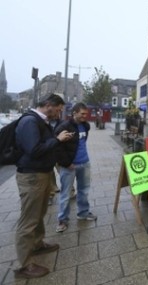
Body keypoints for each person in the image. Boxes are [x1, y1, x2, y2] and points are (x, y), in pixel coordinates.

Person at [14, 93, 73, 279]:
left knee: (39, 213)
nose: (59, 113)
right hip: (32, 176)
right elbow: (34, 150)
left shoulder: (42, 121)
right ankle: (24, 265)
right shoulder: (30, 122)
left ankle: (37, 244)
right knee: (29, 219)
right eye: (58, 109)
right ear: (48, 105)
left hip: (42, 174)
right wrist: (57, 140)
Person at [55, 103, 97, 233]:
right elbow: (57, 147)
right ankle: (62, 220)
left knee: (84, 190)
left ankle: (83, 213)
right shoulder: (64, 127)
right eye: (82, 114)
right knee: (66, 193)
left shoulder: (86, 125)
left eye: (86, 114)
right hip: (69, 166)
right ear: (74, 113)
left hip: (85, 163)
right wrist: (67, 163)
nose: (85, 116)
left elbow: (82, 143)